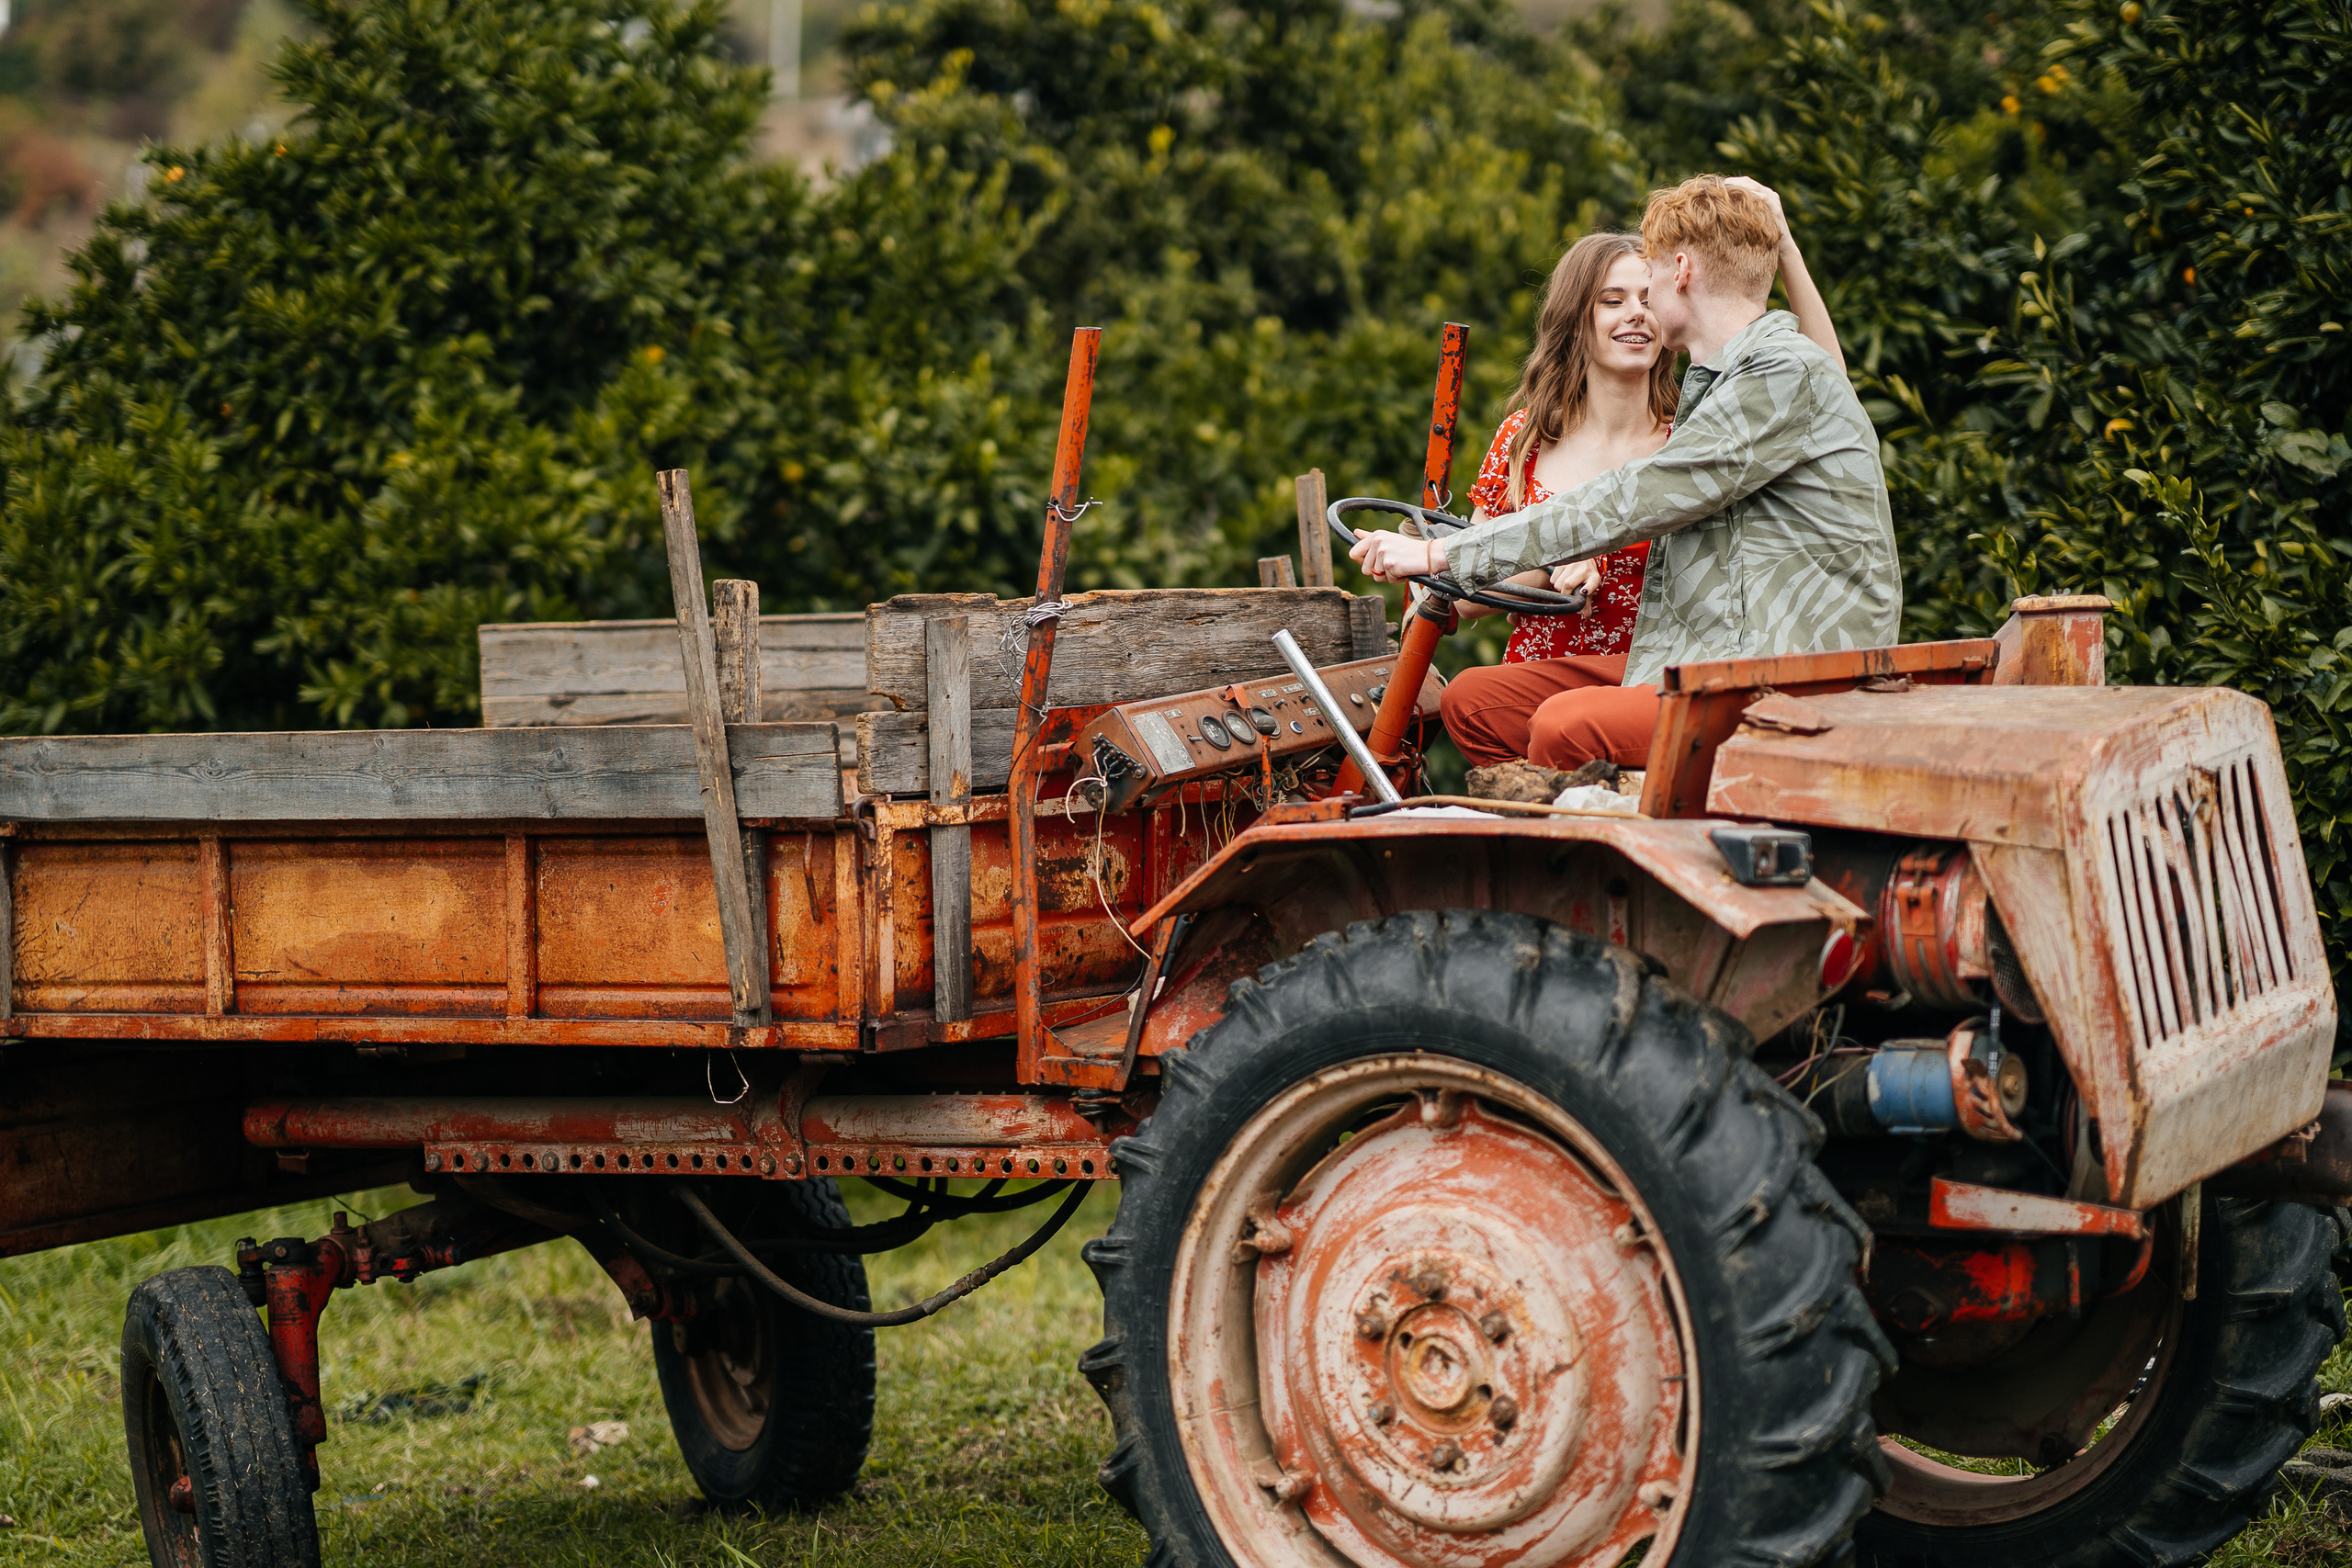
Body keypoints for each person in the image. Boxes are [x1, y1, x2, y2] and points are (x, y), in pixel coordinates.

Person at [1352, 174, 1897, 774]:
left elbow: (1632, 498)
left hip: (1772, 669)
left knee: (1563, 727)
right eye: (1614, 299)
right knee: (1476, 702)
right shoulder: (1724, 387)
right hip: (1688, 650)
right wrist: (1471, 565)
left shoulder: (1763, 383)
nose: (1642, 308)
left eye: (1650, 282)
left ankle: (1609, 821)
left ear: (1680, 271)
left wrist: (1440, 554)